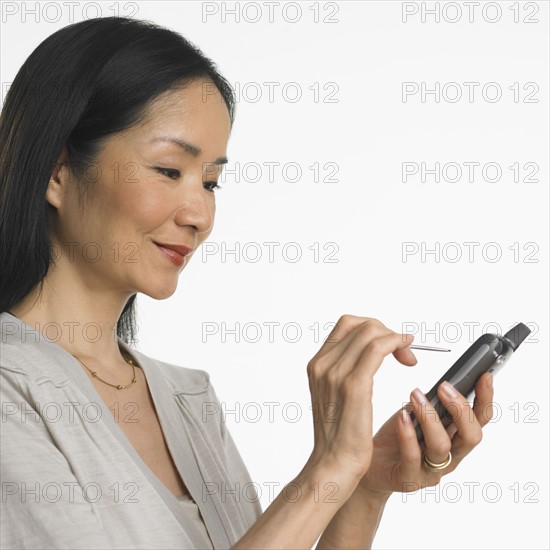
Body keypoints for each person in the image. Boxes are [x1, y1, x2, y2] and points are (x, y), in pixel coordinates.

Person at [0, 16, 495, 550]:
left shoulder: (188, 397)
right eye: (170, 170)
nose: (199, 215)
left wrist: (361, 488)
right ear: (57, 172)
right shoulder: (12, 390)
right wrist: (326, 472)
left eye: (211, 182)